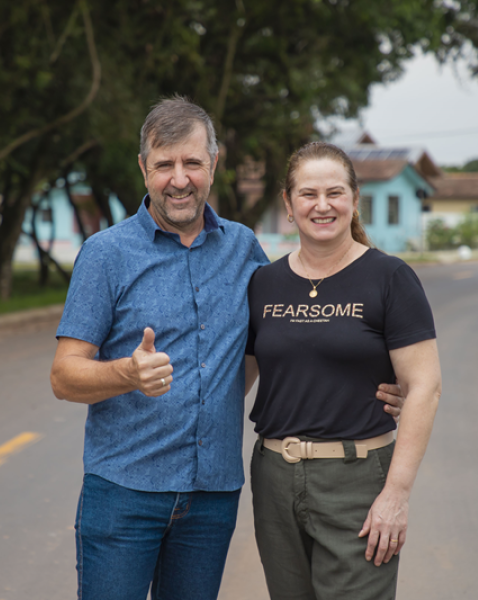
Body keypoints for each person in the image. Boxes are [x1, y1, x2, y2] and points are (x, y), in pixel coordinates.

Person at [49, 97, 407, 600]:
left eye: (192, 162)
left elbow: (294, 336)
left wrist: (375, 386)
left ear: (213, 165)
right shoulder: (105, 255)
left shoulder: (243, 250)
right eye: (164, 165)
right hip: (124, 494)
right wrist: (127, 374)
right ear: (143, 169)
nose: (179, 179)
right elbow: (64, 376)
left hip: (211, 498)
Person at [245, 141, 442, 599]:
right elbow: (240, 380)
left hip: (357, 481)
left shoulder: (389, 277)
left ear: (354, 200)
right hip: (274, 478)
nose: (322, 205)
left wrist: (396, 494)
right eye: (308, 194)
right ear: (288, 204)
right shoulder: (263, 283)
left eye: (334, 193)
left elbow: (424, 387)